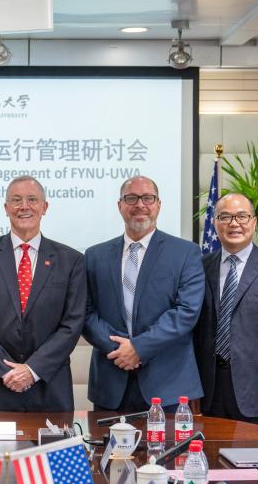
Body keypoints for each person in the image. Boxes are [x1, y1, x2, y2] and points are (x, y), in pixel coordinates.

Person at [0, 176, 85, 412]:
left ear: (44, 207)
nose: (24, 206)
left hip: (49, 386)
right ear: (6, 208)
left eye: (32, 200)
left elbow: (73, 323)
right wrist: (5, 370)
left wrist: (32, 370)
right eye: (16, 200)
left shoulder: (71, 260)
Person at [84, 176, 205, 413]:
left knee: (169, 441)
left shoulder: (185, 253)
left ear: (158, 204)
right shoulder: (94, 255)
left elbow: (186, 312)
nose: (140, 204)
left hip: (169, 385)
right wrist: (121, 351)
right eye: (131, 198)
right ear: (120, 205)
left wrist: (138, 348)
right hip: (111, 381)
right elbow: (85, 312)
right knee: (106, 441)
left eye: (148, 198)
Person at [193, 193, 258, 432]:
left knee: (257, 455)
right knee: (211, 454)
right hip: (210, 389)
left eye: (242, 216)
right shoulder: (201, 267)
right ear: (215, 223)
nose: (234, 223)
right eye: (225, 217)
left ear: (253, 221)